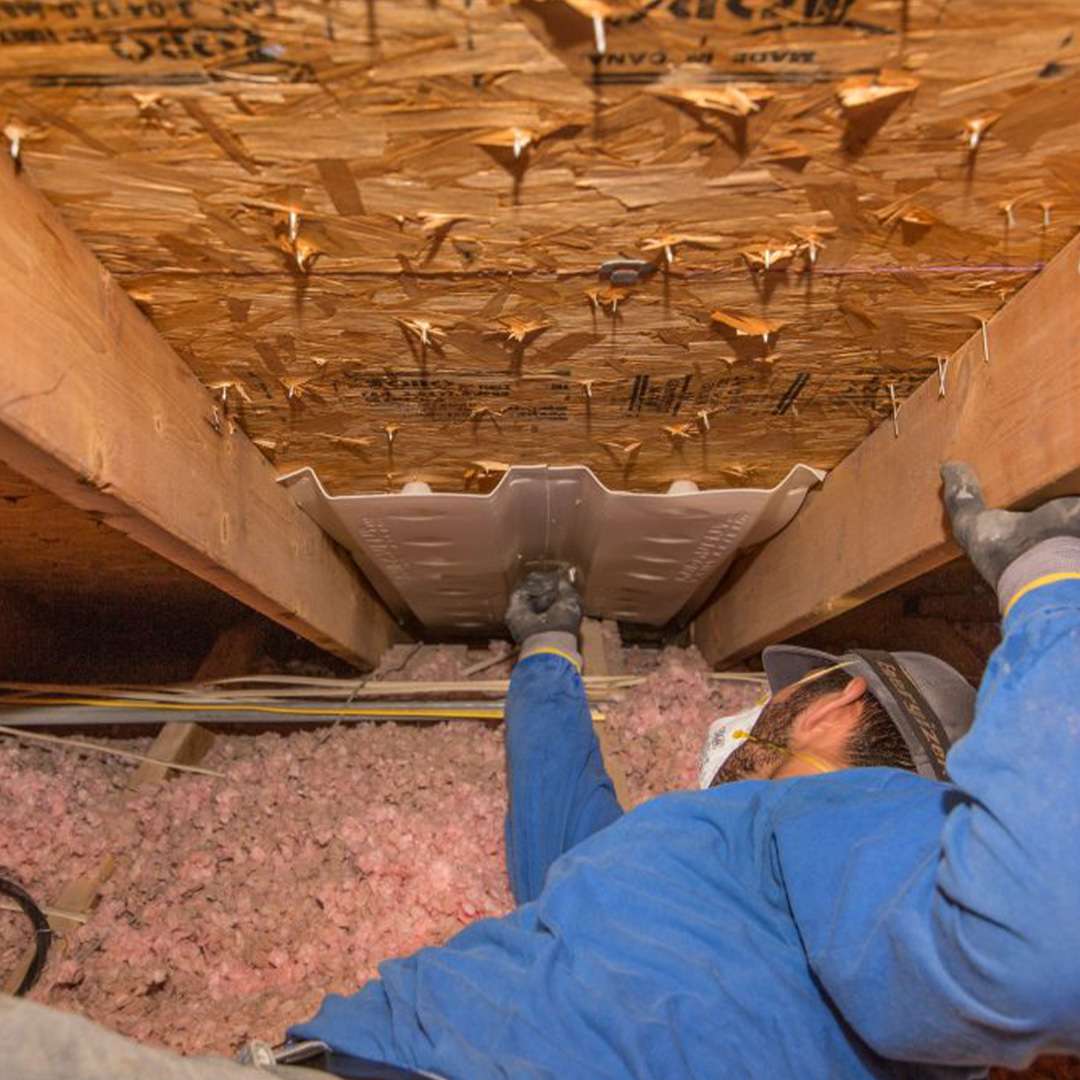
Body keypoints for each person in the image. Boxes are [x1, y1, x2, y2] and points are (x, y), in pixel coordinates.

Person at [4, 462, 1079, 1080]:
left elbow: (1033, 950)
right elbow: (566, 841)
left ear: (837, 702)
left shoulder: (867, 816)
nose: (755, 714)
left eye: (782, 695)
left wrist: (1046, 584)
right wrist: (550, 649)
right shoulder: (716, 859)